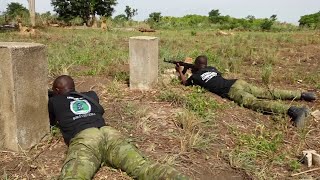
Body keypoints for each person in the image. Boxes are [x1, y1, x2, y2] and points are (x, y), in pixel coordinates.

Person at [49, 75, 188, 180]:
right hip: (109, 133)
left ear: (56, 90)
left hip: (86, 139)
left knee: (74, 176)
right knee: (143, 167)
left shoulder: (54, 100)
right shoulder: (91, 95)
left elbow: (52, 120)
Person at [175, 55, 317, 127]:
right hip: (237, 82)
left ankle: (294, 110)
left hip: (231, 90)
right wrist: (190, 67)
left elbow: (184, 83)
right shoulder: (211, 68)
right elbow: (206, 72)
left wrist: (180, 70)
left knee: (255, 103)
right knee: (267, 92)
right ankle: (302, 94)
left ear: (196, 65)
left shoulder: (195, 76)